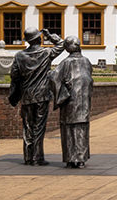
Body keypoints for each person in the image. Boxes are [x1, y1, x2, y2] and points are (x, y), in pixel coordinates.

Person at [8, 27, 65, 165]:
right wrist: (50, 36)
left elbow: (14, 75)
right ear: (38, 39)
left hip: (27, 96)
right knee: (39, 127)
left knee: (27, 127)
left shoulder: (20, 56)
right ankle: (37, 157)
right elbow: (62, 44)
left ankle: (28, 157)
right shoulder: (46, 53)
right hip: (42, 95)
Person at [50, 36, 94, 168]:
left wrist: (62, 92)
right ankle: (81, 159)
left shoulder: (66, 62)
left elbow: (53, 78)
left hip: (70, 102)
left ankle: (70, 159)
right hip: (84, 103)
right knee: (82, 130)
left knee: (69, 130)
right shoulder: (86, 61)